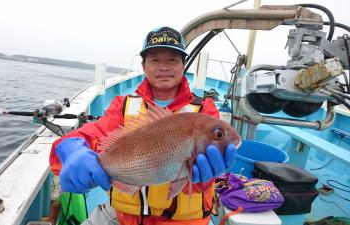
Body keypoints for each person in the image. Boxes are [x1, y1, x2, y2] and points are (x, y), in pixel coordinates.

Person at [49, 26, 237, 225]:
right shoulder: (122, 106)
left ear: (183, 65)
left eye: (172, 59)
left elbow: (200, 177)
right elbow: (88, 135)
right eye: (155, 59)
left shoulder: (204, 110)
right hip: (123, 217)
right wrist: (70, 150)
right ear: (144, 66)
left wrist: (205, 178)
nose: (163, 66)